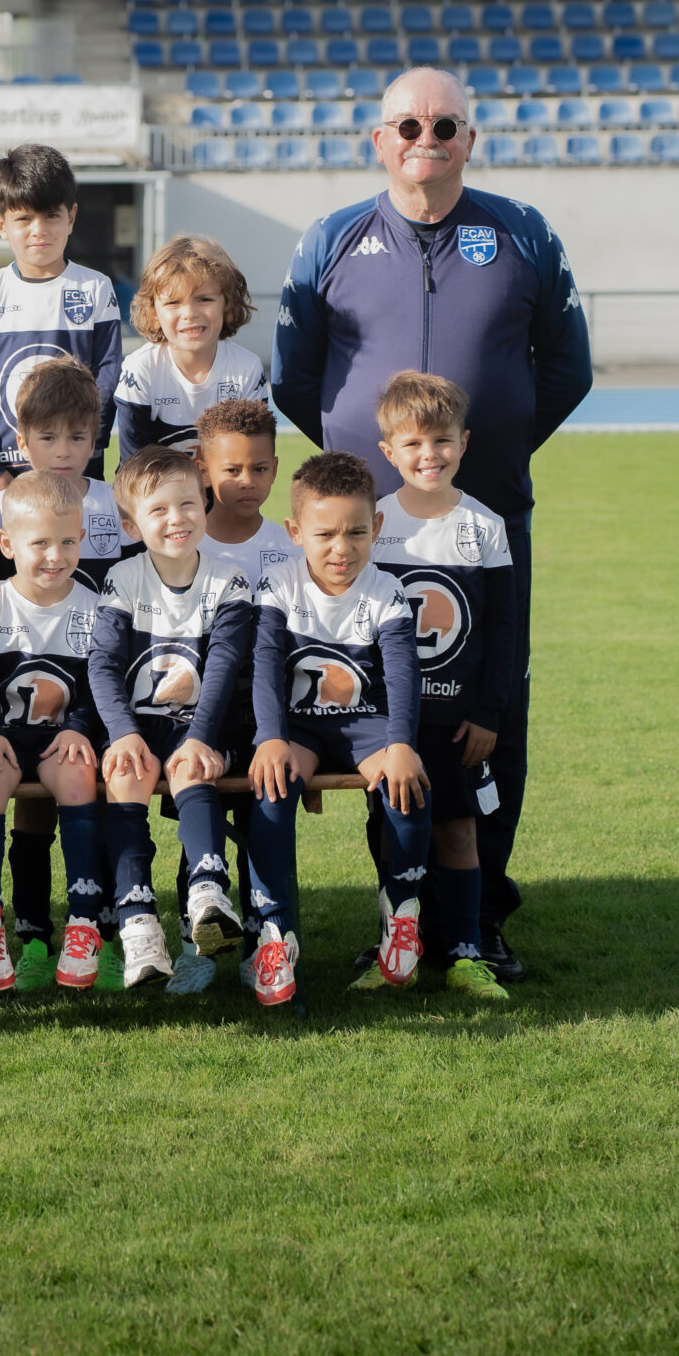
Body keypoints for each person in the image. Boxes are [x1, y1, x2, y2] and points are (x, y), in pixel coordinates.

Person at [270, 64, 593, 982]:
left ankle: (480, 916)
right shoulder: (332, 238)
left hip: (484, 529)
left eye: (445, 125)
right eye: (408, 126)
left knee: (491, 713)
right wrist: (363, 472)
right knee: (387, 713)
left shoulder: (524, 233)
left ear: (469, 139)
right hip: (366, 540)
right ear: (380, 140)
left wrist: (490, 459)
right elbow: (296, 377)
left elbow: (566, 370)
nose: (427, 139)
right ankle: (402, 911)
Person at [244, 452, 423, 1009]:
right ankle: (275, 936)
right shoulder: (279, 584)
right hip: (300, 728)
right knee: (270, 789)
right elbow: (266, 666)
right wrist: (270, 738)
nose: (341, 548)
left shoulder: (385, 590)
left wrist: (402, 745)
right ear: (295, 531)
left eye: (356, 533)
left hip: (366, 724)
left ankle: (402, 916)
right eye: (324, 534)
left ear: (377, 527)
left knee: (406, 786)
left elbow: (403, 674)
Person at [88, 447, 256, 993]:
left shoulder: (229, 579)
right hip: (138, 724)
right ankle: (138, 921)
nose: (176, 518)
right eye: (158, 510)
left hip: (202, 723)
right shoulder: (123, 577)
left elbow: (225, 664)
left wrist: (201, 737)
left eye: (187, 503)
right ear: (131, 525)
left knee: (191, 768)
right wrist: (123, 734)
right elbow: (102, 664)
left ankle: (208, 889)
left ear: (205, 503)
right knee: (125, 774)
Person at [370, 370, 515, 1001]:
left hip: (460, 724)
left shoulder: (485, 527)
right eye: (413, 444)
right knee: (392, 832)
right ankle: (394, 948)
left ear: (464, 441)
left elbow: (504, 631)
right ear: (389, 451)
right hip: (392, 725)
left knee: (459, 831)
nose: (429, 455)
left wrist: (488, 713)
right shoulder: (374, 523)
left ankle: (464, 951)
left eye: (442, 441)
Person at [0, 471, 106, 996]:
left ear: (82, 537)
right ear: (6, 543)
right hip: (0, 736)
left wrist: (80, 728)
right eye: (40, 542)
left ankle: (84, 922)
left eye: (67, 542)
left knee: (79, 777)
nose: (55, 556)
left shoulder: (94, 610)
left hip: (58, 738)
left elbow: (102, 685)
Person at [0, 144, 122, 498]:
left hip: (80, 473)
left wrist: (88, 449)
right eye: (24, 219)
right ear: (0, 224)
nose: (39, 230)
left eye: (51, 216)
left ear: (71, 217)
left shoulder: (94, 288)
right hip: (9, 477)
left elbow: (108, 375)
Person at [0, 357, 131, 594]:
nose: (63, 452)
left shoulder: (117, 504)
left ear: (92, 444)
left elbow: (135, 587)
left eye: (76, 438)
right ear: (23, 444)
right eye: (48, 438)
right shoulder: (0, 508)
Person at [114, 235, 267, 461]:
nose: (189, 313)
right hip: (154, 484)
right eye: (173, 302)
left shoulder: (246, 369)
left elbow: (251, 464)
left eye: (204, 299)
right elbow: (134, 469)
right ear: (153, 313)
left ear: (228, 306)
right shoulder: (141, 369)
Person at [194, 397, 294, 590]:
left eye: (259, 469)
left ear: (274, 469)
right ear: (204, 473)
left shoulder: (293, 550)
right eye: (232, 470)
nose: (247, 482)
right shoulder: (182, 551)